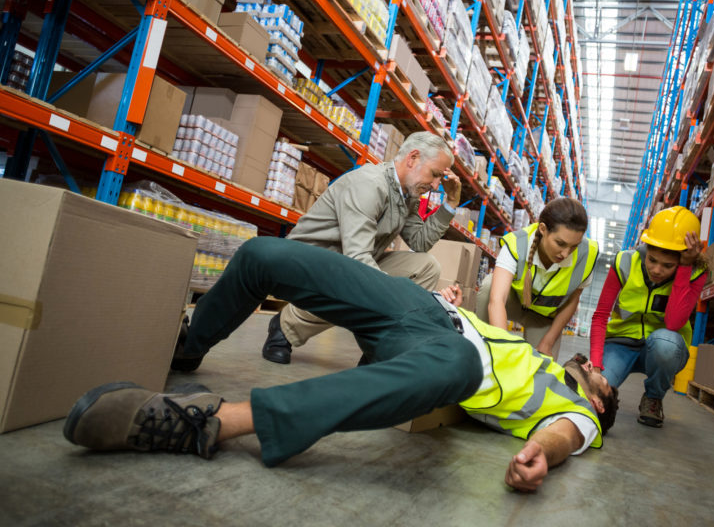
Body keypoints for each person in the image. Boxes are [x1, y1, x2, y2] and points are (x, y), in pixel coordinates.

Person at [65, 237, 619, 491]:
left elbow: (564, 436)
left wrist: (538, 457)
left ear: (599, 399)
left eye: (601, 377)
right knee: (265, 255)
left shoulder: (578, 412)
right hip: (424, 311)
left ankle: (208, 423)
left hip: (442, 358)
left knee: (457, 364)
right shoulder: (538, 356)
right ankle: (187, 350)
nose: (595, 366)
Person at [259, 131, 461, 366]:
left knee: (425, 267)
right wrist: (397, 295)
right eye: (435, 175)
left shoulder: (408, 194)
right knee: (367, 286)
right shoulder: (369, 184)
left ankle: (382, 346)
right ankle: (285, 326)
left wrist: (451, 203)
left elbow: (420, 242)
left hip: (348, 263)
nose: (436, 185)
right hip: (310, 264)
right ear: (413, 158)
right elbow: (357, 259)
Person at [589, 206, 707, 428]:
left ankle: (653, 397)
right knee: (596, 394)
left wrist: (683, 269)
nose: (657, 270)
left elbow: (674, 322)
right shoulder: (624, 262)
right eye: (652, 259)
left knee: (665, 344)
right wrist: (596, 367)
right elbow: (600, 316)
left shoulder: (695, 273)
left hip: (664, 348)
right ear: (646, 247)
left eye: (667, 265)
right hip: (620, 344)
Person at [475, 198, 599, 360]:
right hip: (514, 303)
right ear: (543, 229)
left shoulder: (587, 255)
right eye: (560, 243)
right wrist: (503, 347)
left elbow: (572, 302)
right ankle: (481, 345)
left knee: (542, 368)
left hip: (544, 319)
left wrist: (547, 343)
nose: (566, 253)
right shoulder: (517, 243)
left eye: (574, 246)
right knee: (489, 286)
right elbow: (497, 299)